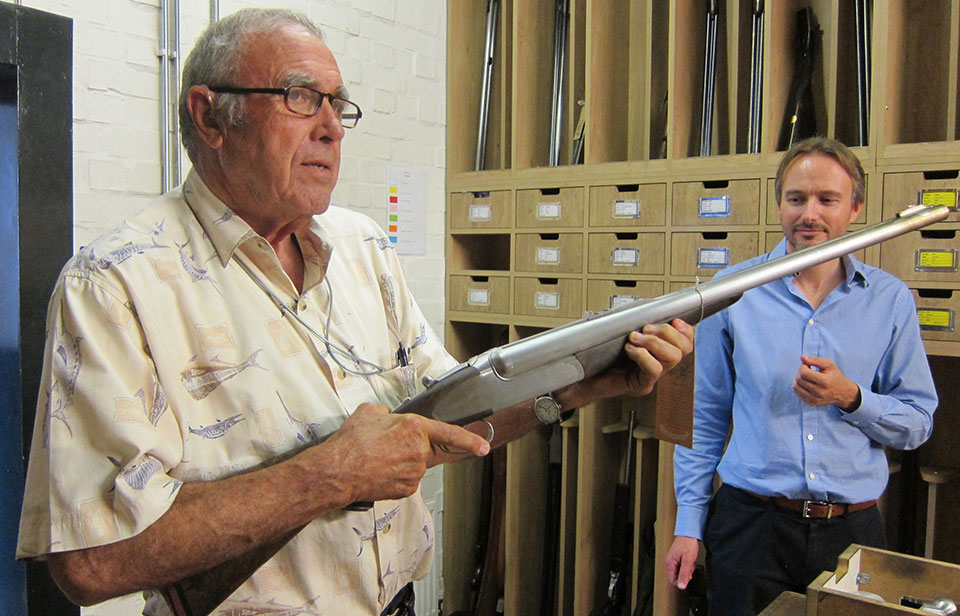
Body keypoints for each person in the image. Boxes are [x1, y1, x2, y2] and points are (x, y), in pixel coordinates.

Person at [16, 9, 693, 616]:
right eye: (300, 97)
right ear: (209, 115)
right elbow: (90, 563)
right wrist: (331, 473)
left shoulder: (362, 245)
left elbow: (444, 419)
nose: (333, 128)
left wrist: (577, 385)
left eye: (339, 104)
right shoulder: (116, 282)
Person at [664, 136, 939, 615]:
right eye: (797, 198)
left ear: (854, 208)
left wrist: (852, 397)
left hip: (851, 532)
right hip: (751, 526)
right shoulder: (731, 293)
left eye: (826, 199)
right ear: (779, 205)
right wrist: (688, 523)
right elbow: (700, 416)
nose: (809, 213)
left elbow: (917, 422)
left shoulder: (889, 300)